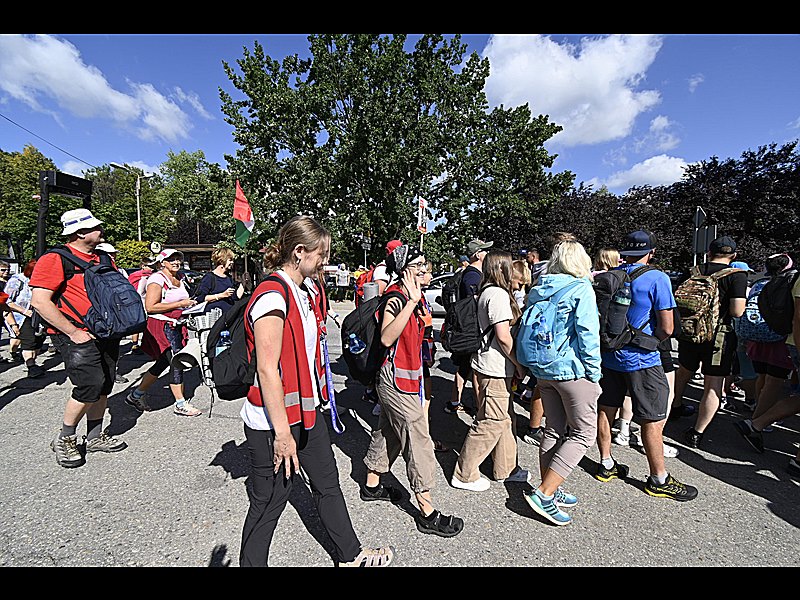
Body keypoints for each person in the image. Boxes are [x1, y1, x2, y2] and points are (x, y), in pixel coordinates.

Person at [239, 215, 393, 567]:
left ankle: (351, 556)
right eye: (320, 253)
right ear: (298, 252)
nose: (325, 260)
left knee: (327, 483)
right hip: (274, 420)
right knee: (270, 501)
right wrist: (282, 434)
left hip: (307, 411)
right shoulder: (272, 296)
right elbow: (267, 369)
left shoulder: (303, 289)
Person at [363, 243, 464, 538]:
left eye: (425, 265)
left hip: (407, 378)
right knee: (418, 438)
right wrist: (410, 302)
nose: (425, 269)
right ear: (405, 270)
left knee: (389, 431)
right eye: (419, 265)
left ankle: (372, 485)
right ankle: (427, 511)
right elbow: (386, 337)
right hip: (395, 380)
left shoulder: (415, 298)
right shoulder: (397, 297)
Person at [594, 230, 698, 501]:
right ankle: (658, 478)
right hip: (643, 359)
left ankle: (606, 464)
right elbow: (667, 327)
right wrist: (650, 341)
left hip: (609, 356)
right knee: (652, 417)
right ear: (651, 253)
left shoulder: (609, 275)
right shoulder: (657, 278)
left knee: (606, 409)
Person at [29, 208, 128, 468]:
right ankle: (65, 437)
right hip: (75, 334)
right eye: (95, 226)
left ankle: (94, 436)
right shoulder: (55, 259)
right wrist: (74, 332)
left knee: (105, 384)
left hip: (106, 331)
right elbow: (40, 301)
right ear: (80, 232)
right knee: (89, 386)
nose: (101, 229)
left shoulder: (103, 258)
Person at [520, 240, 601, 525]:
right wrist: (595, 373)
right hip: (571, 370)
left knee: (553, 429)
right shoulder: (581, 289)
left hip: (542, 369)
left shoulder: (539, 288)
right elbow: (588, 335)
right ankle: (544, 493)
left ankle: (550, 486)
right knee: (583, 434)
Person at [451, 249, 531, 491]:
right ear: (503, 269)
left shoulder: (487, 291)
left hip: (491, 364)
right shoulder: (497, 294)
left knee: (505, 419)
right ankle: (464, 473)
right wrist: (519, 363)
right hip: (495, 366)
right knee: (491, 421)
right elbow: (504, 337)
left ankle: (505, 468)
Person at [671, 236, 748, 448]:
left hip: (690, 332)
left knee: (684, 372)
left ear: (710, 252)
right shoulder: (737, 276)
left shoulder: (694, 271)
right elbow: (737, 311)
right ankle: (697, 432)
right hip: (718, 337)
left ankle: (674, 408)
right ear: (733, 255)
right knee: (713, 384)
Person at [125, 249, 202, 417]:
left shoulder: (180, 277)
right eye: (171, 259)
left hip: (177, 324)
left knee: (163, 363)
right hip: (162, 325)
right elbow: (151, 307)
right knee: (176, 361)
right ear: (162, 262)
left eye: (178, 259)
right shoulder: (157, 279)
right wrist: (180, 303)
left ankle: (136, 395)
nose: (176, 262)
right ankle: (180, 403)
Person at [444, 238, 492, 414]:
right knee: (473, 370)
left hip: (467, 326)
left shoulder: (470, 272)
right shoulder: (473, 275)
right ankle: (479, 409)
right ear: (478, 254)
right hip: (470, 327)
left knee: (464, 367)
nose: (488, 254)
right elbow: (474, 301)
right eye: (485, 251)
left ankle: (454, 402)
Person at [3, 259, 45, 377]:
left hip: (38, 314)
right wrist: (24, 311)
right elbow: (7, 301)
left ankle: (33, 363)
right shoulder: (17, 280)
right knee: (28, 341)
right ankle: (30, 366)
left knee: (39, 339)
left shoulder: (40, 281)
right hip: (22, 316)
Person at [194, 247, 241, 315]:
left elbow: (235, 297)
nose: (232, 262)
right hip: (213, 319)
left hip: (228, 317)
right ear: (222, 261)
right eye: (230, 260)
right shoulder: (209, 277)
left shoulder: (229, 278)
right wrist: (222, 295)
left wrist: (243, 283)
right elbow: (201, 298)